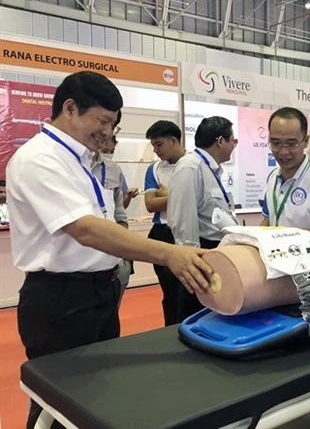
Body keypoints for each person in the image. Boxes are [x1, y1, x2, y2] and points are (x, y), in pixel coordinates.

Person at [5, 71, 215, 429]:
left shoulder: (80, 160)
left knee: (94, 398)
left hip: (97, 292)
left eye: (113, 125)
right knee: (55, 404)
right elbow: (85, 229)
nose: (107, 132)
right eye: (102, 121)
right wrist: (169, 254)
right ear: (70, 108)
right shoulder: (40, 159)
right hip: (60, 300)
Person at [168, 116, 239, 322]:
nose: (234, 145)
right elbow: (183, 219)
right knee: (194, 315)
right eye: (233, 140)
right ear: (220, 141)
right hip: (199, 257)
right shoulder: (190, 167)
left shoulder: (208, 168)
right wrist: (191, 263)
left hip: (214, 253)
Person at [260, 107, 310, 246]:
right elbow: (268, 220)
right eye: (276, 143)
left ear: (305, 141)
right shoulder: (273, 177)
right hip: (276, 261)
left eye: (292, 143)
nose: (283, 152)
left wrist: (281, 240)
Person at [144, 120, 187, 326]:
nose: (156, 150)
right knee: (169, 292)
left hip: (187, 234)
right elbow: (151, 204)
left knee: (188, 292)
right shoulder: (154, 170)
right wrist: (179, 196)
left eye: (159, 145)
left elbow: (198, 203)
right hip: (162, 233)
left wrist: (169, 195)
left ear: (173, 140)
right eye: (153, 146)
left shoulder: (194, 165)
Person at [91, 130, 132, 304]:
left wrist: (119, 249)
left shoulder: (113, 169)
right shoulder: (64, 166)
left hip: (113, 262)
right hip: (79, 266)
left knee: (110, 320)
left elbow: (119, 213)